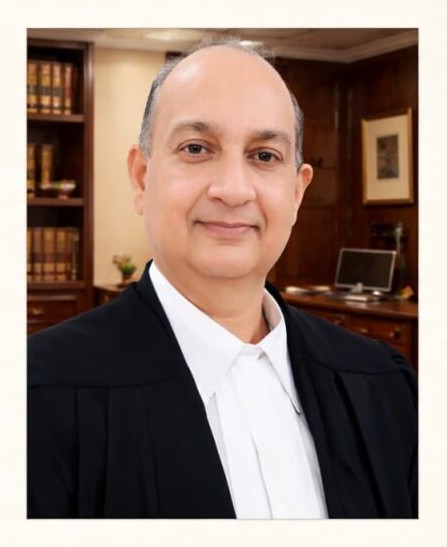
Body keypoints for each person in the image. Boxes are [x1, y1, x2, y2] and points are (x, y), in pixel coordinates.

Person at [27, 38, 417, 519]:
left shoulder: (383, 385)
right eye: (196, 148)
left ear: (297, 193)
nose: (233, 190)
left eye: (265, 156)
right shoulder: (36, 394)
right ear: (142, 178)